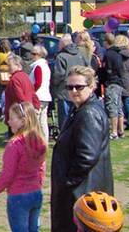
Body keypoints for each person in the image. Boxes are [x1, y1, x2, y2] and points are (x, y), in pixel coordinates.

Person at [51, 66, 113, 232]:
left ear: (92, 86)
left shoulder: (89, 113)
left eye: (79, 87)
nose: (73, 91)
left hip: (82, 192)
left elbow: (87, 156)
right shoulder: (79, 109)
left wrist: (67, 182)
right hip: (80, 190)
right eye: (69, 87)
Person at [0, 102, 47, 232]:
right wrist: (39, 184)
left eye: (11, 118)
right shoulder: (40, 141)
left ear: (23, 121)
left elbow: (7, 175)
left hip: (19, 196)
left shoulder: (14, 145)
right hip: (36, 193)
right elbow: (42, 166)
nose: (8, 121)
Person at [51, 34, 89, 127]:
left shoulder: (61, 57)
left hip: (64, 91)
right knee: (78, 116)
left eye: (59, 43)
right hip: (79, 89)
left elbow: (58, 75)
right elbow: (88, 69)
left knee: (65, 118)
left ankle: (65, 135)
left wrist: (53, 84)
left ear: (63, 44)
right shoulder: (81, 54)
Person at [102, 35, 129, 139]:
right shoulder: (120, 54)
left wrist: (104, 79)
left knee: (112, 107)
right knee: (119, 107)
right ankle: (121, 130)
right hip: (122, 82)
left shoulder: (109, 54)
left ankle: (114, 132)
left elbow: (107, 69)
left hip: (112, 82)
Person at [3, 54, 40, 133]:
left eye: (10, 65)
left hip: (18, 114)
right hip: (27, 111)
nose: (8, 68)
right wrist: (36, 106)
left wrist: (23, 111)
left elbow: (19, 97)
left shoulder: (14, 79)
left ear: (17, 65)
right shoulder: (25, 76)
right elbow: (33, 93)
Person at [29, 46, 52, 141]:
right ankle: (44, 141)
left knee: (36, 121)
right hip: (45, 96)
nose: (32, 56)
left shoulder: (38, 66)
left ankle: (37, 142)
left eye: (34, 54)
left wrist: (31, 93)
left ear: (39, 55)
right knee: (43, 121)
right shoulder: (45, 65)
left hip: (38, 97)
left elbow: (38, 83)